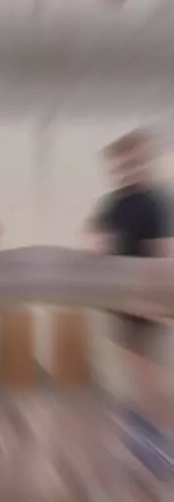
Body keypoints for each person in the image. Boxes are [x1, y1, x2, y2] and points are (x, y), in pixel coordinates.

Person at [85, 129, 173, 474]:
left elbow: (164, 254)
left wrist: (149, 299)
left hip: (147, 302)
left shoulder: (156, 202)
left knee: (151, 374)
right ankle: (145, 436)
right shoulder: (115, 203)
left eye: (132, 160)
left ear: (143, 161)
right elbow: (96, 236)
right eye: (120, 163)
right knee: (135, 372)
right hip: (122, 302)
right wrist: (96, 243)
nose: (125, 168)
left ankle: (162, 441)